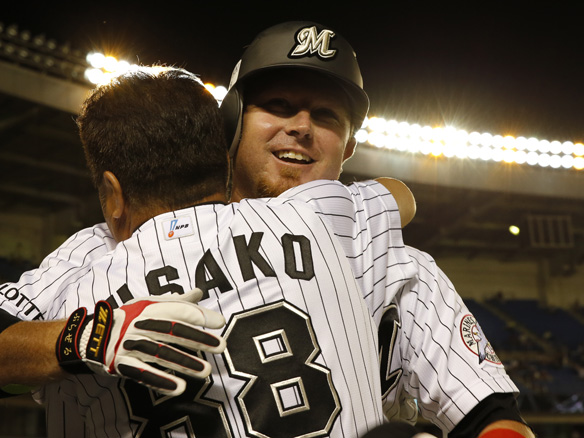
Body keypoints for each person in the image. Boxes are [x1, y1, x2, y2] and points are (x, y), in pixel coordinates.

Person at [0, 21, 532, 438]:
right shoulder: (94, 248)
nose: (301, 127)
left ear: (349, 147)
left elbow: (494, 417)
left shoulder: (392, 258)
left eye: (326, 116)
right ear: (230, 122)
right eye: (278, 106)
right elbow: (397, 195)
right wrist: (80, 338)